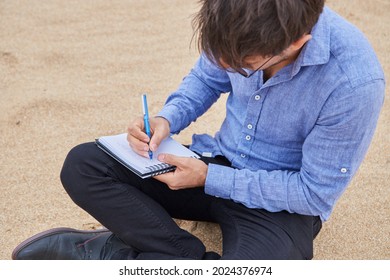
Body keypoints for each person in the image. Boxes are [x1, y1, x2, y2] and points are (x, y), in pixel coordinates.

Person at [12, 0, 384, 260]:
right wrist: (166, 119)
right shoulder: (238, 19)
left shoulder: (354, 83)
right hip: (212, 160)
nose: (226, 65)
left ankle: (121, 256)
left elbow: (313, 194)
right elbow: (205, 80)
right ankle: (183, 258)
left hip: (279, 201)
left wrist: (209, 178)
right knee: (84, 165)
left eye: (242, 66)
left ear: (297, 42)